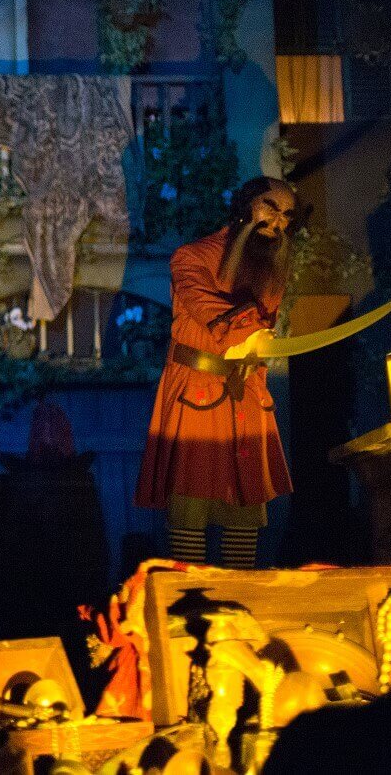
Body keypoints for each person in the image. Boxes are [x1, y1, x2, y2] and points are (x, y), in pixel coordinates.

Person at [135, 177, 299, 569]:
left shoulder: (270, 266)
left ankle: (238, 611)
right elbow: (204, 303)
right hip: (198, 393)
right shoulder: (192, 257)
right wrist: (247, 331)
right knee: (189, 518)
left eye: (286, 216)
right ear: (246, 204)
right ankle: (192, 611)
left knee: (243, 519)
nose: (277, 222)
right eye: (270, 207)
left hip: (245, 397)